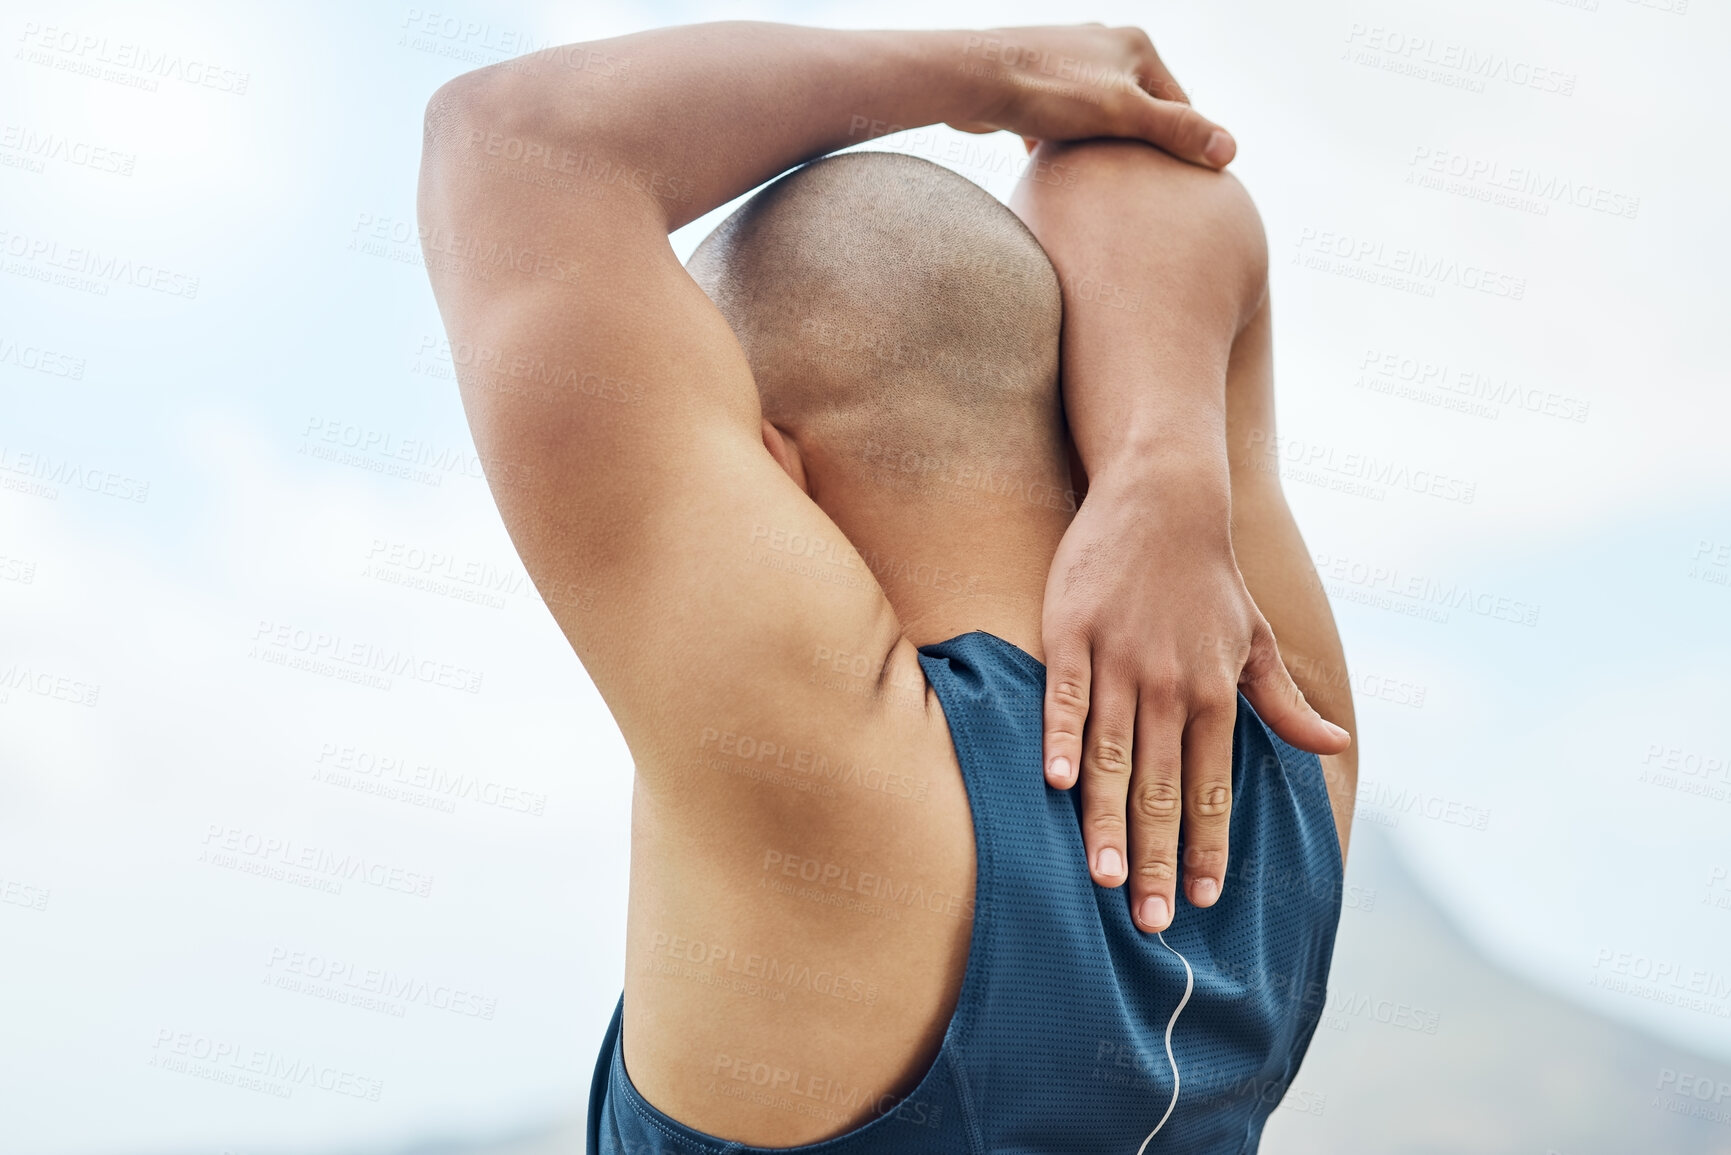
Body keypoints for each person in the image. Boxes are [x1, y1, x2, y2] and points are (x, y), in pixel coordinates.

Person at [416, 21, 1357, 1153]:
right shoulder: (1286, 731)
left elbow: (511, 142)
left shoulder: (829, 770)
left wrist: (983, 77)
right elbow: (1158, 169)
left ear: (776, 468)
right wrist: (1159, 464)